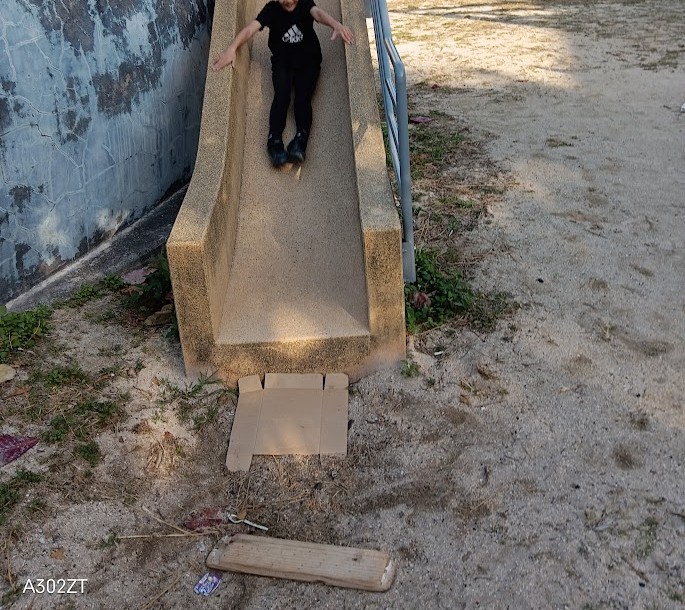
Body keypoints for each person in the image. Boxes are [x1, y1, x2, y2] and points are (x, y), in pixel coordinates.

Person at [212, 0, 354, 166]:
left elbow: (317, 14)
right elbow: (251, 28)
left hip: (308, 61)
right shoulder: (271, 9)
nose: (288, 2)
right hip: (283, 63)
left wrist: (335, 24)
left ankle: (300, 140)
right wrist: (232, 48)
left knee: (302, 98)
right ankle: (274, 140)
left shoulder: (305, 3)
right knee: (281, 97)